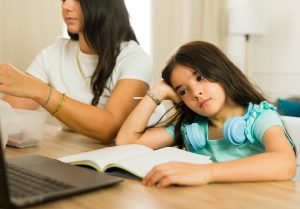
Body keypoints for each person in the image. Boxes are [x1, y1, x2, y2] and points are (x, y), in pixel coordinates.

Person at [116, 40, 297, 188]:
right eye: (183, 91)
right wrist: (157, 91)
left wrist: (205, 172)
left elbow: (285, 164)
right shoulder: (192, 129)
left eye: (200, 78)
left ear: (222, 71)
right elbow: (126, 141)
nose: (195, 92)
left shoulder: (259, 118)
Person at [0, 0, 152, 143]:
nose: (66, 6)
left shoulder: (134, 58)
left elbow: (109, 128)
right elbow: (8, 115)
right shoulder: (53, 54)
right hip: (76, 152)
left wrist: (40, 91)